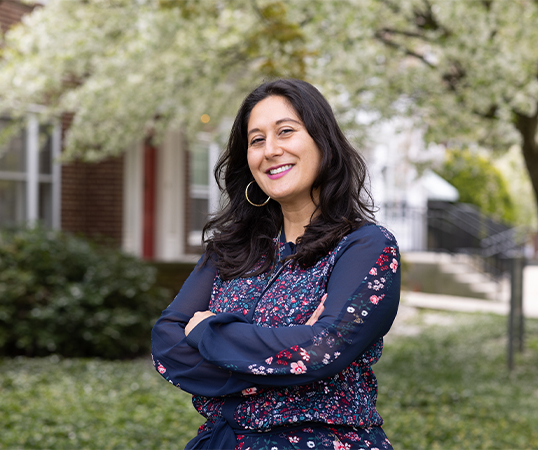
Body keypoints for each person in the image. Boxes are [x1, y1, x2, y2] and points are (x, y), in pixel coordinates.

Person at [151, 78, 400, 450]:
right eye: (256, 140)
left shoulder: (365, 247)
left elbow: (323, 350)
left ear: (323, 141)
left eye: (286, 131)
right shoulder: (230, 251)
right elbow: (166, 345)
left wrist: (206, 333)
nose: (270, 150)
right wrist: (288, 360)